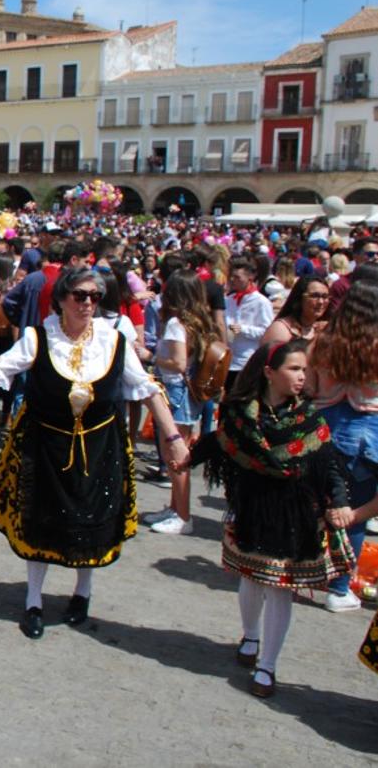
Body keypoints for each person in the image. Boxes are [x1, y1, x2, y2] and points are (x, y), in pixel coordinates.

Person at [0, 267, 189, 639]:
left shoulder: (113, 339)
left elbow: (146, 388)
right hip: (46, 444)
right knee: (42, 520)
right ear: (61, 299)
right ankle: (33, 601)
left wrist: (172, 436)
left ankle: (81, 594)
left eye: (94, 297)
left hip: (100, 445)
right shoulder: (40, 338)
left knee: (90, 520)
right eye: (80, 295)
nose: (88, 303)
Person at [187, 340, 354, 698]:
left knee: (280, 587)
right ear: (268, 372)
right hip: (251, 509)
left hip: (296, 514)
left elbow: (329, 466)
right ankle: (250, 635)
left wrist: (339, 502)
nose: (302, 376)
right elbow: (218, 443)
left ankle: (268, 665)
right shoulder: (239, 414)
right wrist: (184, 459)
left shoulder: (308, 418)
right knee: (251, 579)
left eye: (304, 369)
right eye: (294, 369)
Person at [309, 277, 378, 613]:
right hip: (368, 434)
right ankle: (338, 588)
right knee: (352, 514)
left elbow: (307, 386)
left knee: (314, 505)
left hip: (323, 430)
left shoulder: (323, 339)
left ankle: (298, 573)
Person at [146, 271, 221, 535]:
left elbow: (177, 362)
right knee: (177, 453)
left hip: (177, 389)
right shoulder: (200, 320)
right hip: (187, 391)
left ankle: (183, 515)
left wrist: (154, 357)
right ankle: (175, 508)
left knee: (176, 455)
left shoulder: (177, 324)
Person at [224, 257, 273, 394]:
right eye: (231, 277)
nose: (233, 280)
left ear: (250, 277)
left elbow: (267, 331)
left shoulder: (261, 302)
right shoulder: (228, 300)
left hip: (247, 360)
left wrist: (244, 329)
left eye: (237, 277)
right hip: (228, 360)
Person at [259, 276, 329, 349]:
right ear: (299, 299)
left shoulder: (321, 329)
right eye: (314, 296)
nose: (321, 302)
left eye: (325, 297)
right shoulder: (281, 330)